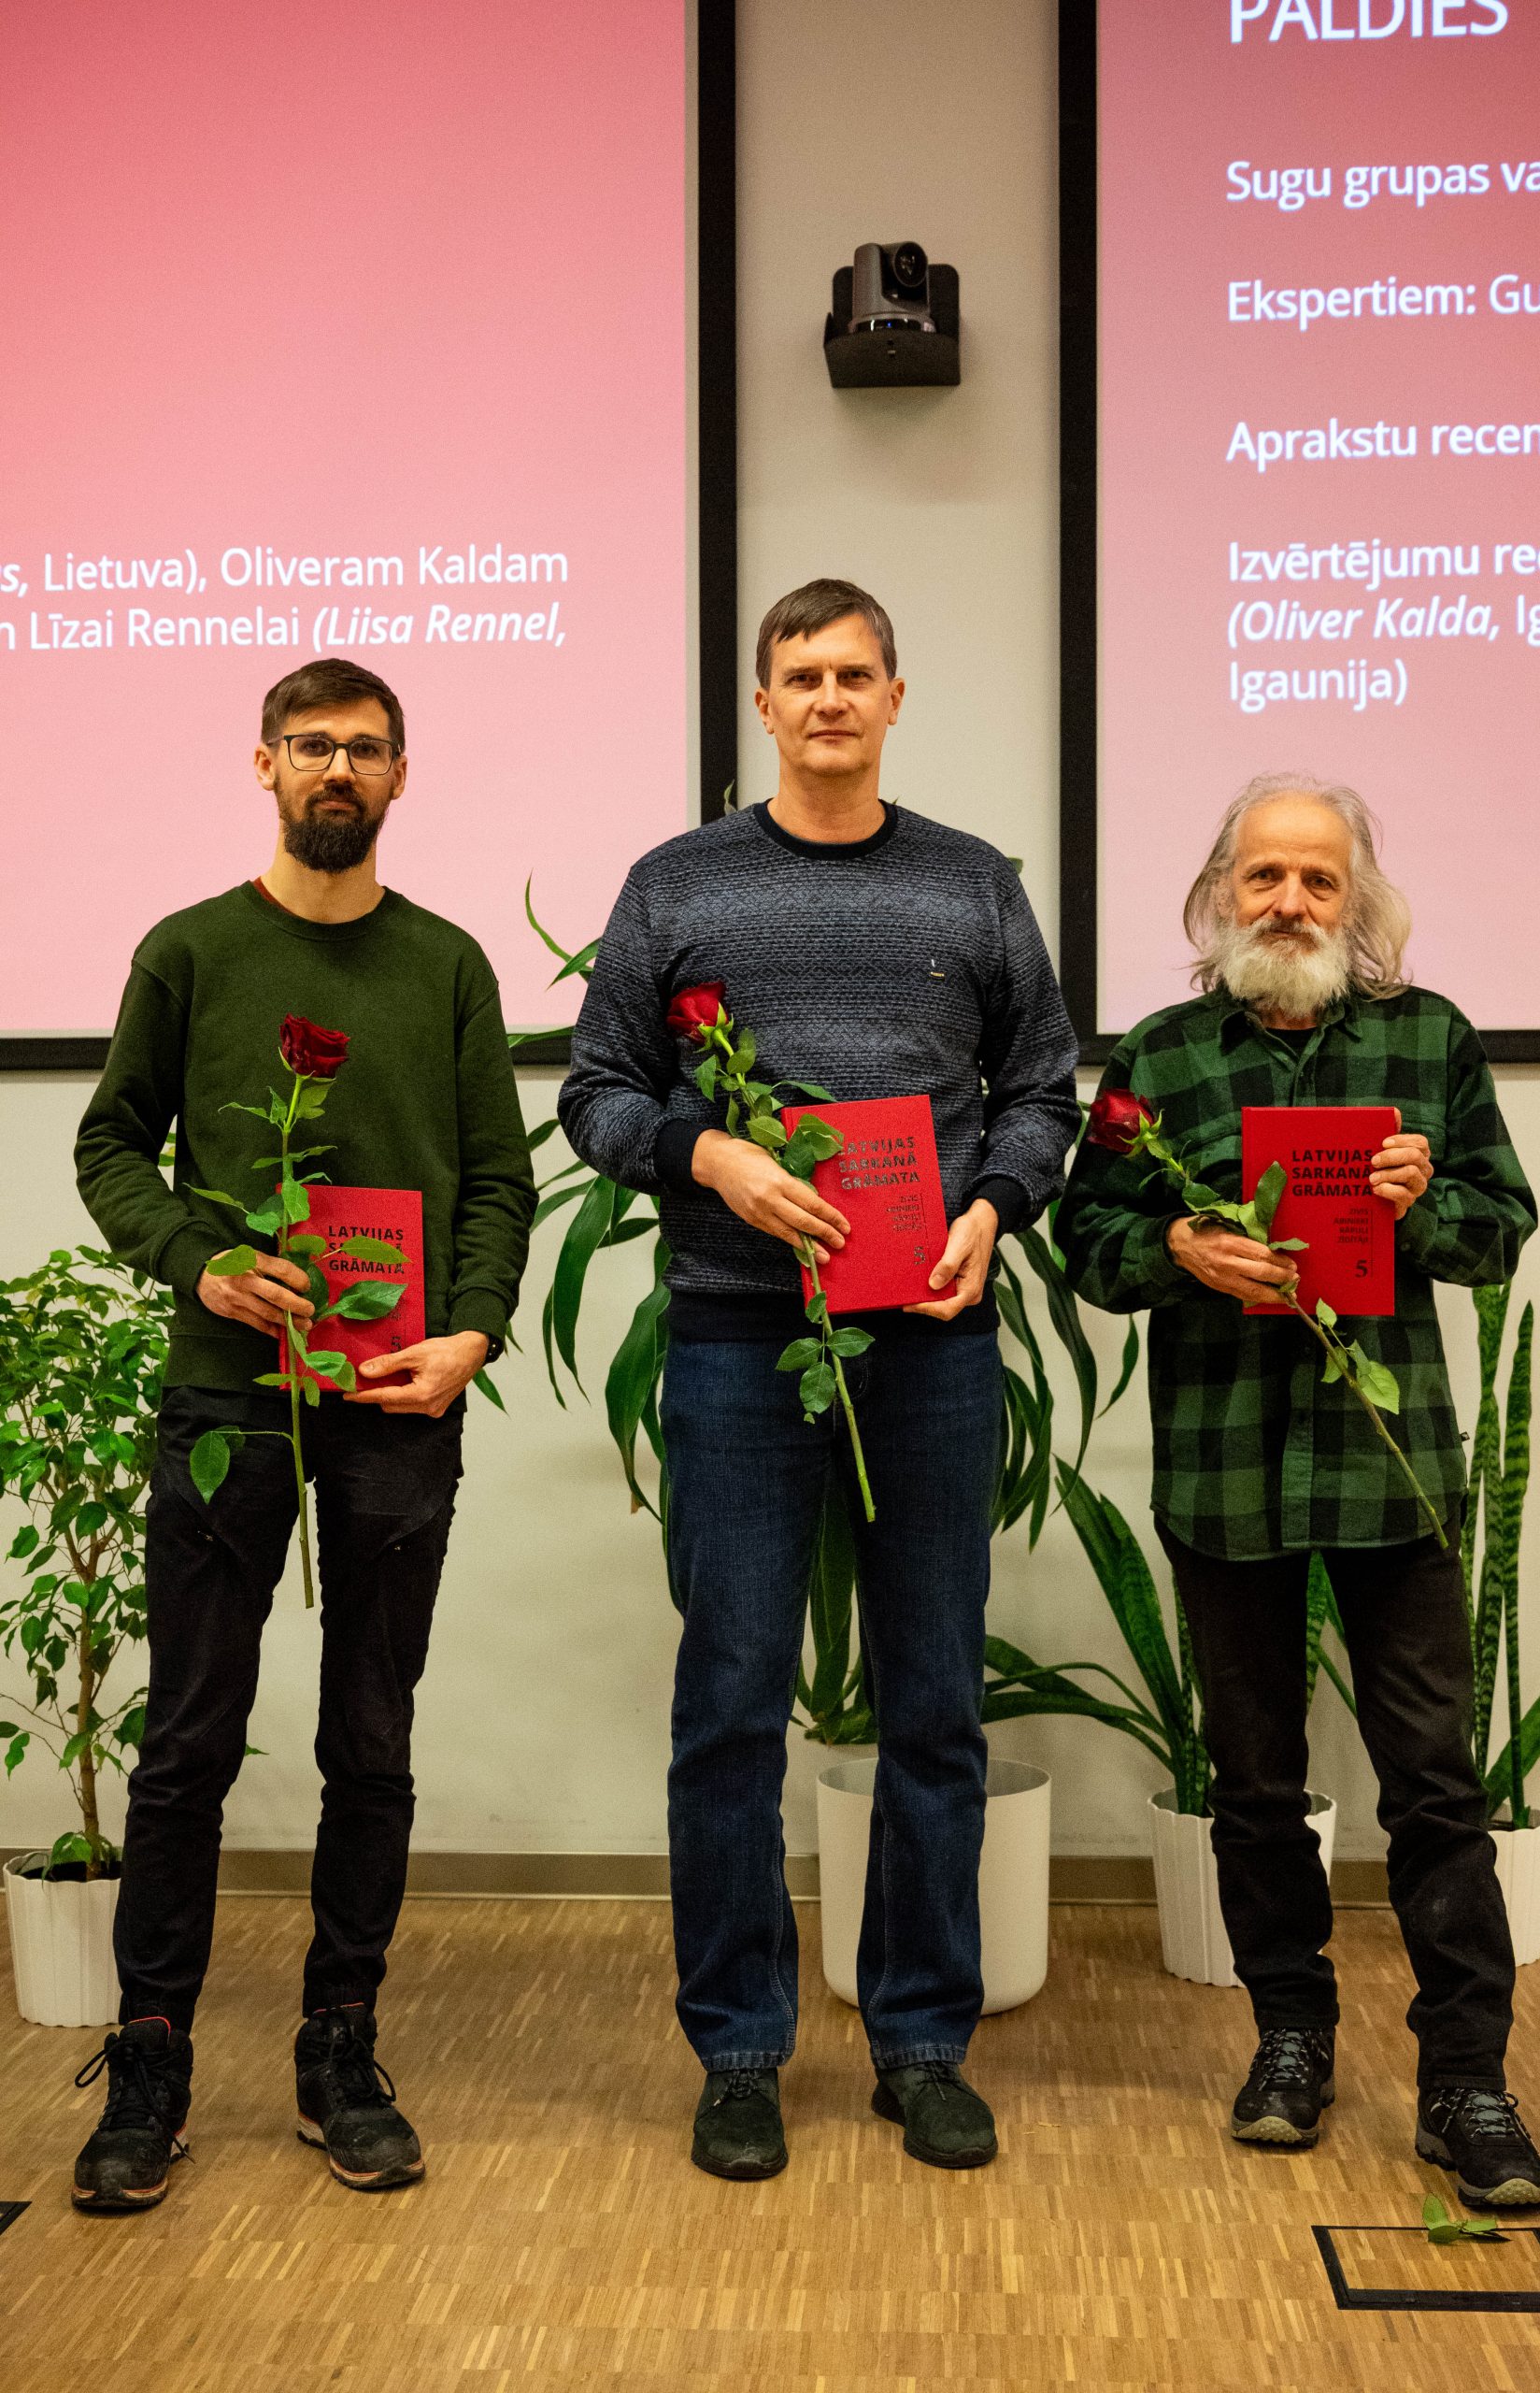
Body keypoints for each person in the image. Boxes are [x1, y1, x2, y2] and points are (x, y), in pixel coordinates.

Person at [560, 578, 1078, 2180]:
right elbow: (596, 1093)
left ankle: (922, 2042)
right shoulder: (677, 885)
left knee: (933, 1701)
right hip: (736, 1344)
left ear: (895, 699)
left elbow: (1042, 1093)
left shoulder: (970, 885)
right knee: (728, 1705)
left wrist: (993, 1210)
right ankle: (737, 2053)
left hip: (929, 1339)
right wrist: (706, 1154)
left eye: (856, 674)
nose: (830, 699)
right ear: (763, 704)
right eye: (802, 676)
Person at [69, 657, 536, 2210]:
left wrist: (470, 1332)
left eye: (367, 748)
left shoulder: (447, 964)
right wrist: (196, 1259)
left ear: (401, 775)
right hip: (227, 1393)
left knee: (370, 1738)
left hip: (396, 1394)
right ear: (263, 763)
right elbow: (111, 1143)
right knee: (188, 1741)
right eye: (313, 743)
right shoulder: (190, 950)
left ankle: (340, 2048)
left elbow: (496, 1180)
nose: (340, 767)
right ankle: (151, 2056)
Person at [1061, 770, 1540, 2210]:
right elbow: (1085, 1238)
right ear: (1221, 892)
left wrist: (1421, 1202)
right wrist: (1174, 1251)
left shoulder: (1427, 1039)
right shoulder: (1156, 1058)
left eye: (1316, 879)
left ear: (1356, 899)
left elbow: (1498, 1229)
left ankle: (1465, 2083)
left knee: (1436, 1788)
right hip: (1226, 1475)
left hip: (1392, 1478)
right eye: (1263, 876)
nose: (1287, 902)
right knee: (1256, 1787)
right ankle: (1289, 2038)